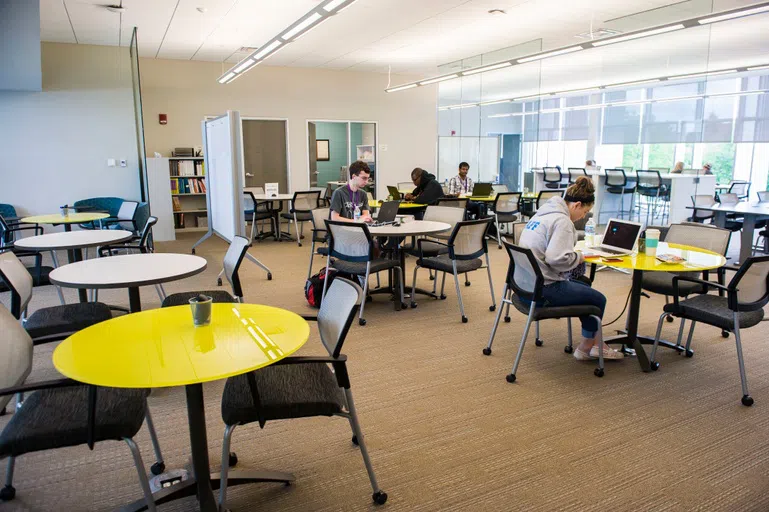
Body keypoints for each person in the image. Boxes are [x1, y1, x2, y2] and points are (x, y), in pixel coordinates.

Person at [518, 176, 622, 361]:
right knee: (598, 299)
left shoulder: (542, 214)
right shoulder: (563, 221)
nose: (584, 217)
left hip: (523, 287)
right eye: (585, 212)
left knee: (584, 286)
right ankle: (586, 347)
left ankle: (597, 344)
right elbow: (557, 258)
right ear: (577, 205)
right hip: (544, 290)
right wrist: (580, 257)